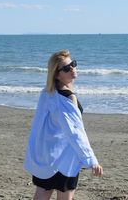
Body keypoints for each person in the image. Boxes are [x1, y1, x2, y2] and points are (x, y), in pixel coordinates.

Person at [24, 50, 103, 200]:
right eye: (67, 68)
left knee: (42, 193)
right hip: (65, 157)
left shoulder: (48, 92)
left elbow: (40, 125)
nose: (72, 69)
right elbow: (75, 132)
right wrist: (91, 159)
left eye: (73, 64)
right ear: (57, 74)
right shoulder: (66, 99)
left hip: (47, 156)